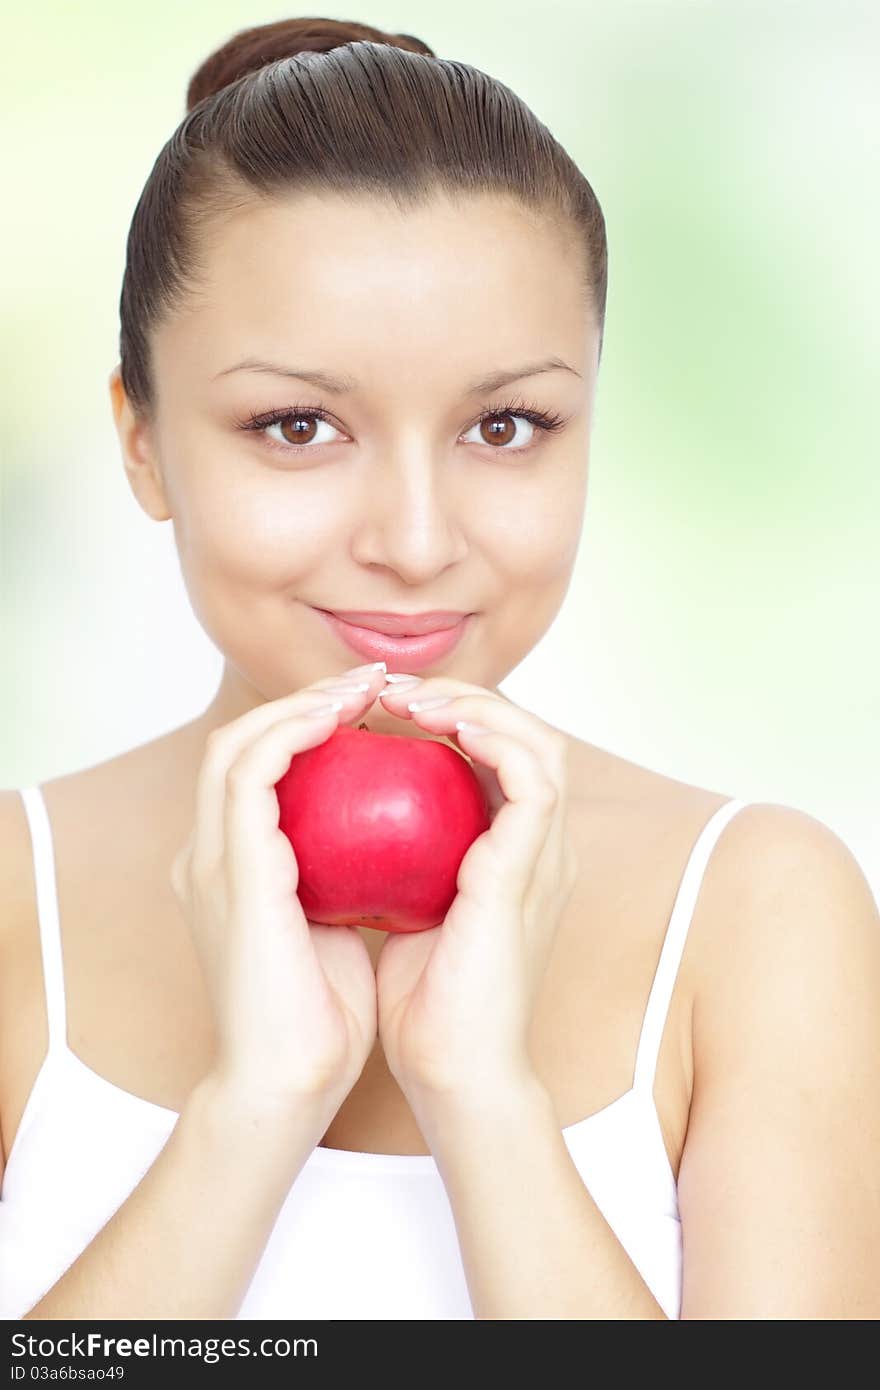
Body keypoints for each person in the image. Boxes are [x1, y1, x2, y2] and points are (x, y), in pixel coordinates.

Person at [1, 16, 878, 1323]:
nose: (415, 543)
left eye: (505, 424)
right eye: (297, 425)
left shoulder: (761, 913)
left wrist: (486, 1099)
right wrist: (253, 1109)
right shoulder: (16, 899)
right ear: (141, 441)